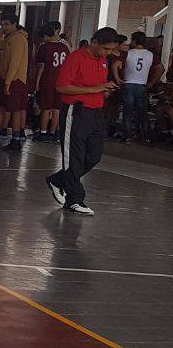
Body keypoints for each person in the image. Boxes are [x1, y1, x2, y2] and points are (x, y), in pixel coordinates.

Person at [46, 27, 124, 216]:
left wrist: (105, 90)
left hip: (96, 112)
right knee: (74, 156)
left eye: (111, 49)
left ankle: (58, 180)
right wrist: (94, 89)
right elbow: (62, 87)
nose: (107, 53)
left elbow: (99, 86)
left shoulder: (103, 60)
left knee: (93, 156)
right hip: (76, 111)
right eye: (105, 48)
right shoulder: (76, 58)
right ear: (94, 42)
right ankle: (74, 199)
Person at [0, 14, 30, 149]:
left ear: (14, 24)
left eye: (6, 24)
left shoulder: (19, 39)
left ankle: (16, 139)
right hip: (5, 77)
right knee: (0, 107)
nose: (4, 27)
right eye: (2, 24)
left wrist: (8, 82)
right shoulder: (8, 37)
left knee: (15, 109)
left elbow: (15, 62)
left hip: (15, 79)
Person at [33, 23, 71, 142]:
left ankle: (43, 132)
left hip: (47, 80)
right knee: (57, 108)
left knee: (45, 107)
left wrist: (37, 82)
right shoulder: (65, 47)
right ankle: (54, 133)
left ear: (46, 35)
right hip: (61, 82)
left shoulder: (45, 47)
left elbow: (41, 66)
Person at [119, 30, 154, 144]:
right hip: (142, 85)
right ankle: (147, 137)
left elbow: (115, 65)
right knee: (143, 112)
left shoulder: (127, 53)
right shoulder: (150, 54)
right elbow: (161, 68)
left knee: (128, 112)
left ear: (134, 41)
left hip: (128, 84)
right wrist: (152, 82)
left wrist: (119, 79)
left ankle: (127, 136)